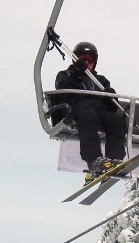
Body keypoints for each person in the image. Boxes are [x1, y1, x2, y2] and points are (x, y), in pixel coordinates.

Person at [54, 41, 127, 182]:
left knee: (115, 120)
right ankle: (94, 160)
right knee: (88, 116)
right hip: (79, 108)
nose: (87, 63)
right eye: (83, 59)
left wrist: (110, 97)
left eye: (90, 60)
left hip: (100, 110)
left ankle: (114, 159)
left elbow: (112, 107)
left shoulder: (100, 80)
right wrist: (76, 74)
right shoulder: (65, 75)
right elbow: (62, 92)